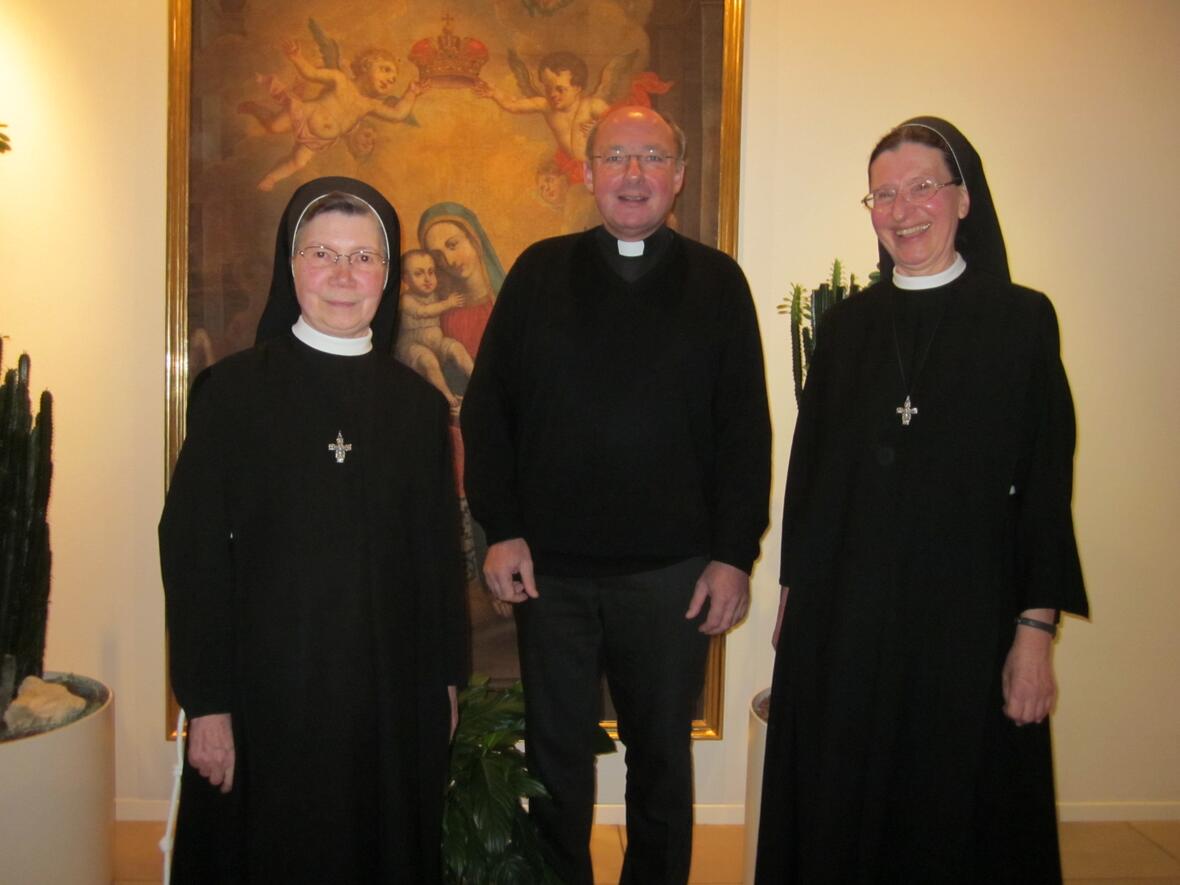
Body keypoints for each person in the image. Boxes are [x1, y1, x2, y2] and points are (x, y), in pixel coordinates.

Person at [755, 117, 1088, 884]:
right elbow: (812, 475)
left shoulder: (1021, 321)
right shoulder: (843, 328)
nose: (902, 209)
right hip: (846, 614)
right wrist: (794, 595)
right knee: (844, 802)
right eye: (883, 194)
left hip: (967, 622)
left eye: (922, 188)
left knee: (955, 814)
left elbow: (1044, 484)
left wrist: (1034, 630)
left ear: (964, 198)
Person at [461, 106, 771, 885]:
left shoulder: (719, 283)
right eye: (616, 158)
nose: (634, 175)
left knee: (663, 759)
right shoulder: (538, 272)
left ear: (679, 175)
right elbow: (488, 410)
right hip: (553, 573)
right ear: (590, 171)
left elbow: (745, 432)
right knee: (557, 760)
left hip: (671, 574)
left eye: (652, 157)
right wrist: (501, 529)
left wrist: (734, 554)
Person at [160, 176, 466, 883]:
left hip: (388, 696)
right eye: (322, 252)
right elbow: (194, 554)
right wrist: (206, 701)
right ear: (289, 264)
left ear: (387, 277)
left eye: (363, 258)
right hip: (265, 695)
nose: (341, 275)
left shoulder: (419, 407)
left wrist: (446, 679)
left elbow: (437, 557)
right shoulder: (231, 393)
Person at [418, 202, 505, 361]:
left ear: (474, 239)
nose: (449, 261)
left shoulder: (507, 303)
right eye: (438, 255)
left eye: (452, 245)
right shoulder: (442, 314)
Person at [395, 248, 474, 410]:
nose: (427, 279)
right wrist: (448, 304)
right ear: (405, 279)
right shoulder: (406, 299)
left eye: (431, 272)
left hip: (437, 343)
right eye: (419, 274)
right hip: (412, 347)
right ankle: (446, 395)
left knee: (457, 348)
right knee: (428, 360)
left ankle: (478, 383)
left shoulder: (435, 294)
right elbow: (423, 312)